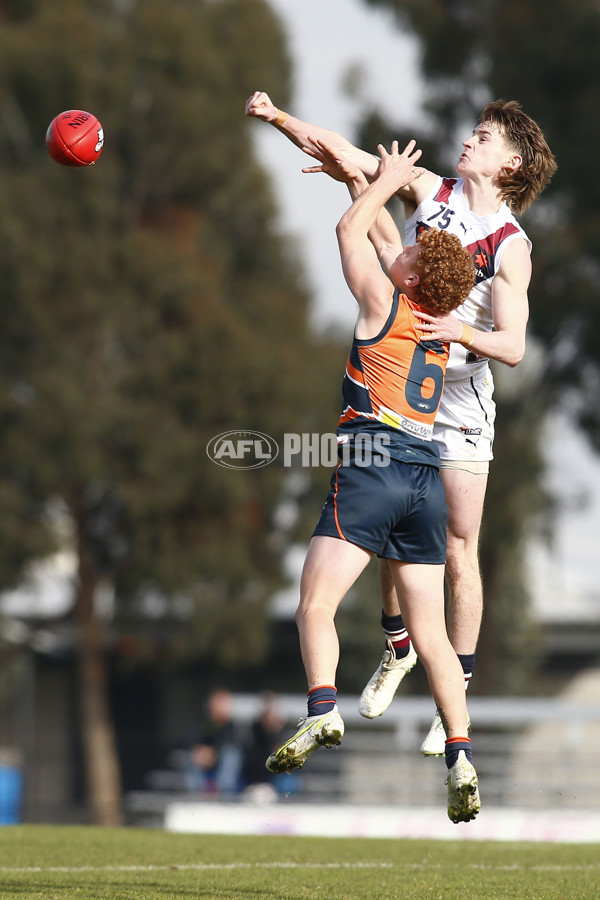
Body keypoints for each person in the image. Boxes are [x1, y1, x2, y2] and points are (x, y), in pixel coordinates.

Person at [245, 91, 557, 755]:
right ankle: (399, 646)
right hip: (399, 385)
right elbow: (342, 154)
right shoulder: (432, 191)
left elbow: (515, 344)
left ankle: (455, 703)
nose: (468, 139)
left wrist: (457, 330)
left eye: (484, 135)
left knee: (458, 549)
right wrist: (279, 118)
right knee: (392, 522)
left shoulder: (510, 246)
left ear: (510, 164)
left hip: (461, 401)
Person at [262, 135, 480, 823]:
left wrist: (381, 181)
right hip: (426, 476)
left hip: (372, 464)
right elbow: (384, 236)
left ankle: (322, 709)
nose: (403, 248)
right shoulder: (441, 328)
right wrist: (354, 177)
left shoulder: (380, 302)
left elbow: (353, 229)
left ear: (413, 276)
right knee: (435, 636)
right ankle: (459, 753)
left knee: (315, 605)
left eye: (411, 252)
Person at [182, 688, 245, 796]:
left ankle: (223, 793)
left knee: (232, 755)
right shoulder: (202, 722)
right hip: (203, 760)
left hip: (221, 761)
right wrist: (201, 751)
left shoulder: (232, 726)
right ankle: (198, 793)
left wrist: (214, 753)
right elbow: (191, 740)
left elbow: (232, 744)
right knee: (190, 756)